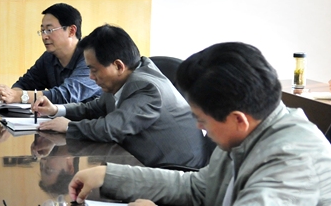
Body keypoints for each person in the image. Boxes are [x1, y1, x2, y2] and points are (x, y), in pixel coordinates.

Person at [68, 42, 331, 206]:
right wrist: (110, 175)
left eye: (202, 120)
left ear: (238, 120)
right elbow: (198, 187)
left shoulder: (293, 157)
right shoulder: (248, 134)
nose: (199, 128)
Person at [32, 24, 207, 168]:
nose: (91, 77)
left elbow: (112, 128)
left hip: (176, 171)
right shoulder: (123, 80)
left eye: (94, 70)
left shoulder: (146, 87)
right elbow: (94, 108)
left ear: (118, 66)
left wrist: (70, 127)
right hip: (141, 160)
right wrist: (56, 110)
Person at [0, 3, 101, 105]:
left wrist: (18, 96)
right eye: (42, 31)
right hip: (58, 119)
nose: (44, 37)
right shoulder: (49, 57)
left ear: (71, 31)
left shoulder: (91, 57)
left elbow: (67, 95)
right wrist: (10, 95)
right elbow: (25, 84)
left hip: (91, 120)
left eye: (49, 30)